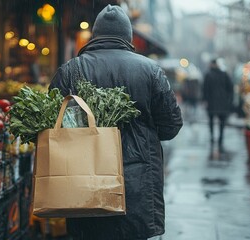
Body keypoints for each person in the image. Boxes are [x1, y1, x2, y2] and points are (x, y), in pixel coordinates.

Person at [49, 4, 183, 240]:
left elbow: (52, 125)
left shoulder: (70, 70)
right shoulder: (150, 70)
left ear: (95, 35)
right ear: (128, 36)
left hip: (84, 186)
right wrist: (143, 133)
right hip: (137, 186)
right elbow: (171, 126)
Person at [202, 58, 234, 152]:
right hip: (222, 103)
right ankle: (220, 138)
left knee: (211, 121)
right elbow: (230, 88)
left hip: (211, 102)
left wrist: (205, 100)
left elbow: (205, 89)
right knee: (221, 122)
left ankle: (212, 137)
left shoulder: (208, 75)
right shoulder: (224, 74)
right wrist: (229, 100)